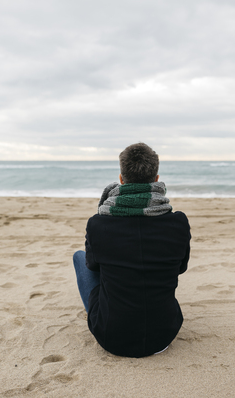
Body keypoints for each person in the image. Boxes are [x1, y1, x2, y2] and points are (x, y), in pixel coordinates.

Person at [73, 143, 191, 358]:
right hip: (164, 334)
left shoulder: (98, 224)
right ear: (156, 179)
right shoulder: (179, 222)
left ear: (121, 179)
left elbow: (92, 266)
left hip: (111, 336)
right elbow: (180, 268)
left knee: (80, 257)